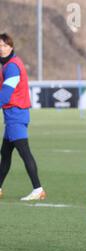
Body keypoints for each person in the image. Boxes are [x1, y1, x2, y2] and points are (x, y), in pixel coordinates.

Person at [0, 33, 46, 201]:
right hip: (13, 115)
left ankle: (38, 189)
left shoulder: (12, 66)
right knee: (5, 153)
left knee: (24, 152)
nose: (1, 49)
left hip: (16, 115)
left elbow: (5, 94)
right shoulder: (8, 65)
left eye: (4, 46)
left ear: (11, 47)